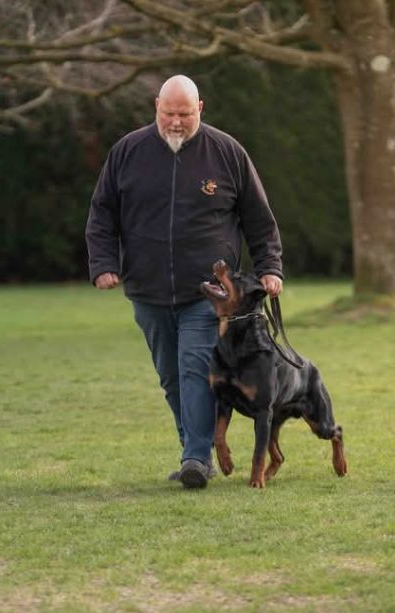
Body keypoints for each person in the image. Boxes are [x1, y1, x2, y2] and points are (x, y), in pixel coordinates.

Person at [85, 74, 283, 489]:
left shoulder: (227, 153)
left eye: (185, 114)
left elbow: (259, 219)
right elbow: (102, 213)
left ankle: (195, 457)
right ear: (157, 106)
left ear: (200, 109)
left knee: (194, 368)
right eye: (168, 113)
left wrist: (269, 267)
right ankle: (196, 451)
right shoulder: (128, 152)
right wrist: (103, 263)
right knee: (171, 376)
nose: (176, 122)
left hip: (208, 293)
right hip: (147, 287)